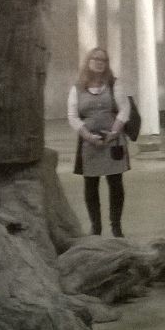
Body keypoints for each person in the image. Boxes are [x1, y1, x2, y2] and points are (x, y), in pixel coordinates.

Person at [67, 47, 130, 237]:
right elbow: (72, 116)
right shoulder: (77, 88)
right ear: (88, 61)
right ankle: (96, 227)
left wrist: (114, 132)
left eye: (103, 60)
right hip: (89, 143)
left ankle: (116, 226)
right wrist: (87, 136)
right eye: (95, 59)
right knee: (91, 184)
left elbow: (124, 109)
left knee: (115, 183)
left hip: (113, 141)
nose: (99, 63)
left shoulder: (114, 84)